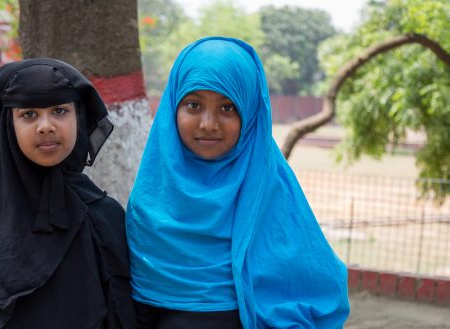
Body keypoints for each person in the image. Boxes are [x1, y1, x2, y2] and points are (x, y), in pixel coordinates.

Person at [126, 37, 350, 328]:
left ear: (250, 113)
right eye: (193, 105)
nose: (208, 123)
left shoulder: (274, 198)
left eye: (228, 107)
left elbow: (315, 299)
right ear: (172, 110)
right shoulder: (148, 207)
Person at [0, 58, 136, 329]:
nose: (45, 126)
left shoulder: (104, 217)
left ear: (79, 117)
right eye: (28, 114)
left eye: (59, 111)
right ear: (8, 127)